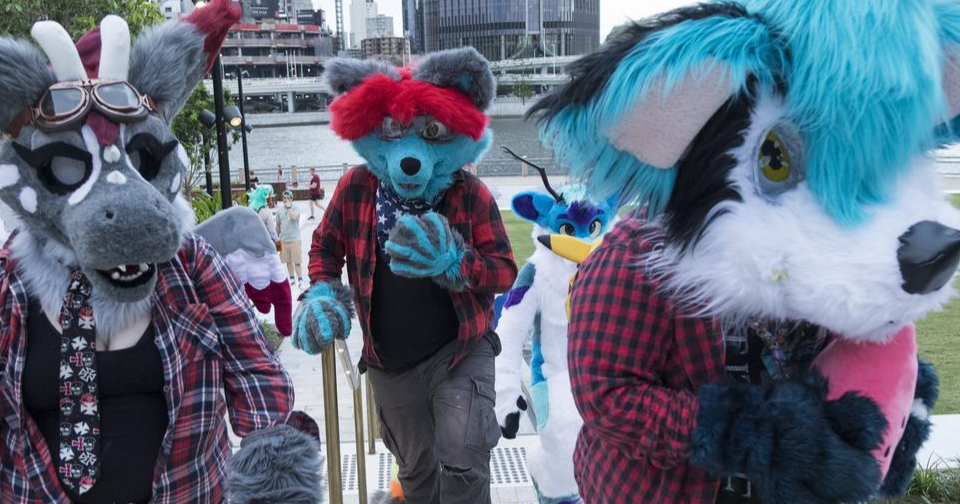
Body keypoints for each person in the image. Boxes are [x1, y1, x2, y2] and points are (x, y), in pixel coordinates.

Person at [527, 3, 953, 504]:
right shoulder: (633, 260)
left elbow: (853, 350)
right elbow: (607, 396)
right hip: (665, 492)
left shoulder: (830, 249)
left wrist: (893, 413)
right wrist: (748, 435)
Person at [0, 4, 323, 503]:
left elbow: (257, 373)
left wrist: (272, 473)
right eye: (65, 167)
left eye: (142, 160)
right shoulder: (11, 279)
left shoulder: (191, 265)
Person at [292, 49, 517, 504]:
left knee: (463, 457)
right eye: (393, 131)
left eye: (430, 132)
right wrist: (323, 293)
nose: (410, 154)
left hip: (459, 349)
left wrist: (455, 262)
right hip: (390, 361)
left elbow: (504, 271)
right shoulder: (356, 188)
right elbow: (324, 248)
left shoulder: (470, 194)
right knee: (416, 473)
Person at [276, 190, 305, 287]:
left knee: (297, 261)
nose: (286, 200)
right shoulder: (279, 211)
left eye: (288, 198)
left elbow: (293, 217)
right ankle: (292, 278)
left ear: (292, 199)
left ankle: (300, 279)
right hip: (284, 240)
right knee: (288, 261)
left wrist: (289, 208)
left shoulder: (296, 208)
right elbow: (278, 226)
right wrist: (276, 241)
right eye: (284, 198)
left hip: (295, 239)